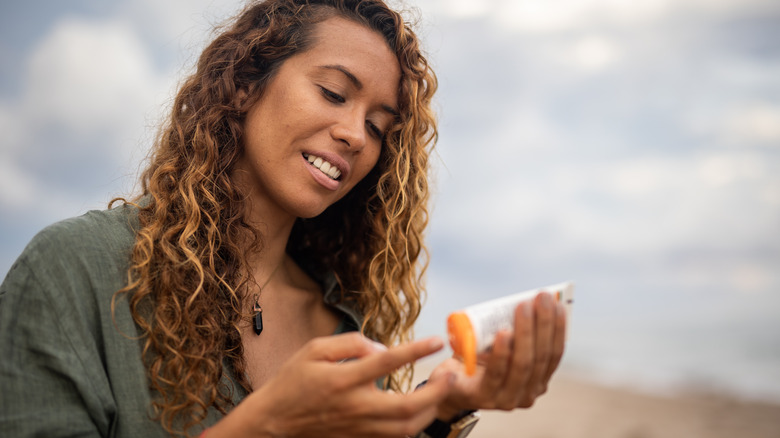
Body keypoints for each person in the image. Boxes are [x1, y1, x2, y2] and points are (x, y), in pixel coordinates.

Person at [0, 0, 567, 437]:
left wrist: (439, 409)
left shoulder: (340, 328)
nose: (354, 135)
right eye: (333, 92)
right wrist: (265, 423)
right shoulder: (75, 270)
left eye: (378, 127)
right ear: (246, 84)